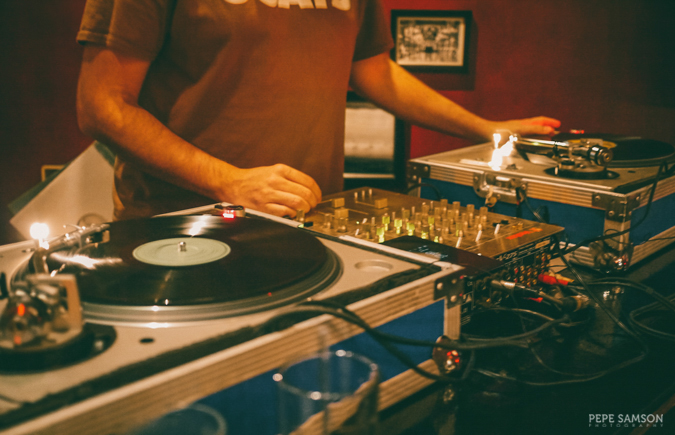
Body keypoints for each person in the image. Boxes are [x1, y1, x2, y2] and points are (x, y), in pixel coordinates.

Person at [76, 0, 560, 221]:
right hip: (180, 225)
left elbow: (376, 71)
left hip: (310, 216)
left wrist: (485, 129)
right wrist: (228, 181)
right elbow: (102, 106)